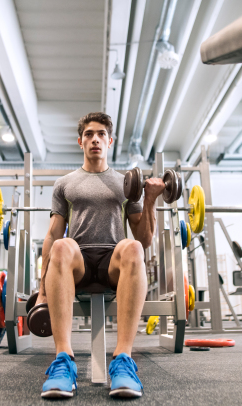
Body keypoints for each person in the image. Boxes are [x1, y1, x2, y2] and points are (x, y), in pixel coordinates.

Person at [36, 112, 165, 398]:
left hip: (112, 264)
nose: (96, 139)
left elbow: (143, 239)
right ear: (80, 141)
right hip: (78, 262)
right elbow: (53, 235)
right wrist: (41, 287)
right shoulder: (64, 184)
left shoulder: (126, 184)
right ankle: (63, 360)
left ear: (110, 141)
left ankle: (123, 360)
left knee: (132, 247)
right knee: (61, 245)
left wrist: (151, 200)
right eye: (90, 134)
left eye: (101, 134)